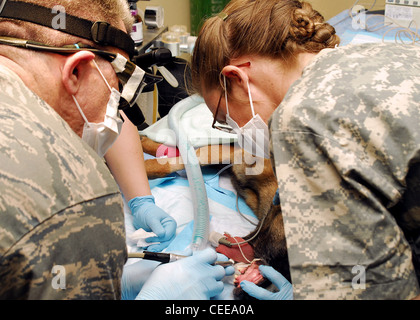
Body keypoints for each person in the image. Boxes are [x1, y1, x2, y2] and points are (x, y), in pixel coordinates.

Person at [0, 0, 230, 299]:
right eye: (115, 91)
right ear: (76, 71)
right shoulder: (75, 197)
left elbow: (106, 115)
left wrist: (141, 201)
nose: (115, 111)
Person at [190, 0, 420, 299]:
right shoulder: (385, 52)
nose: (236, 132)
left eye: (226, 119)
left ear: (235, 78)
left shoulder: (302, 118)